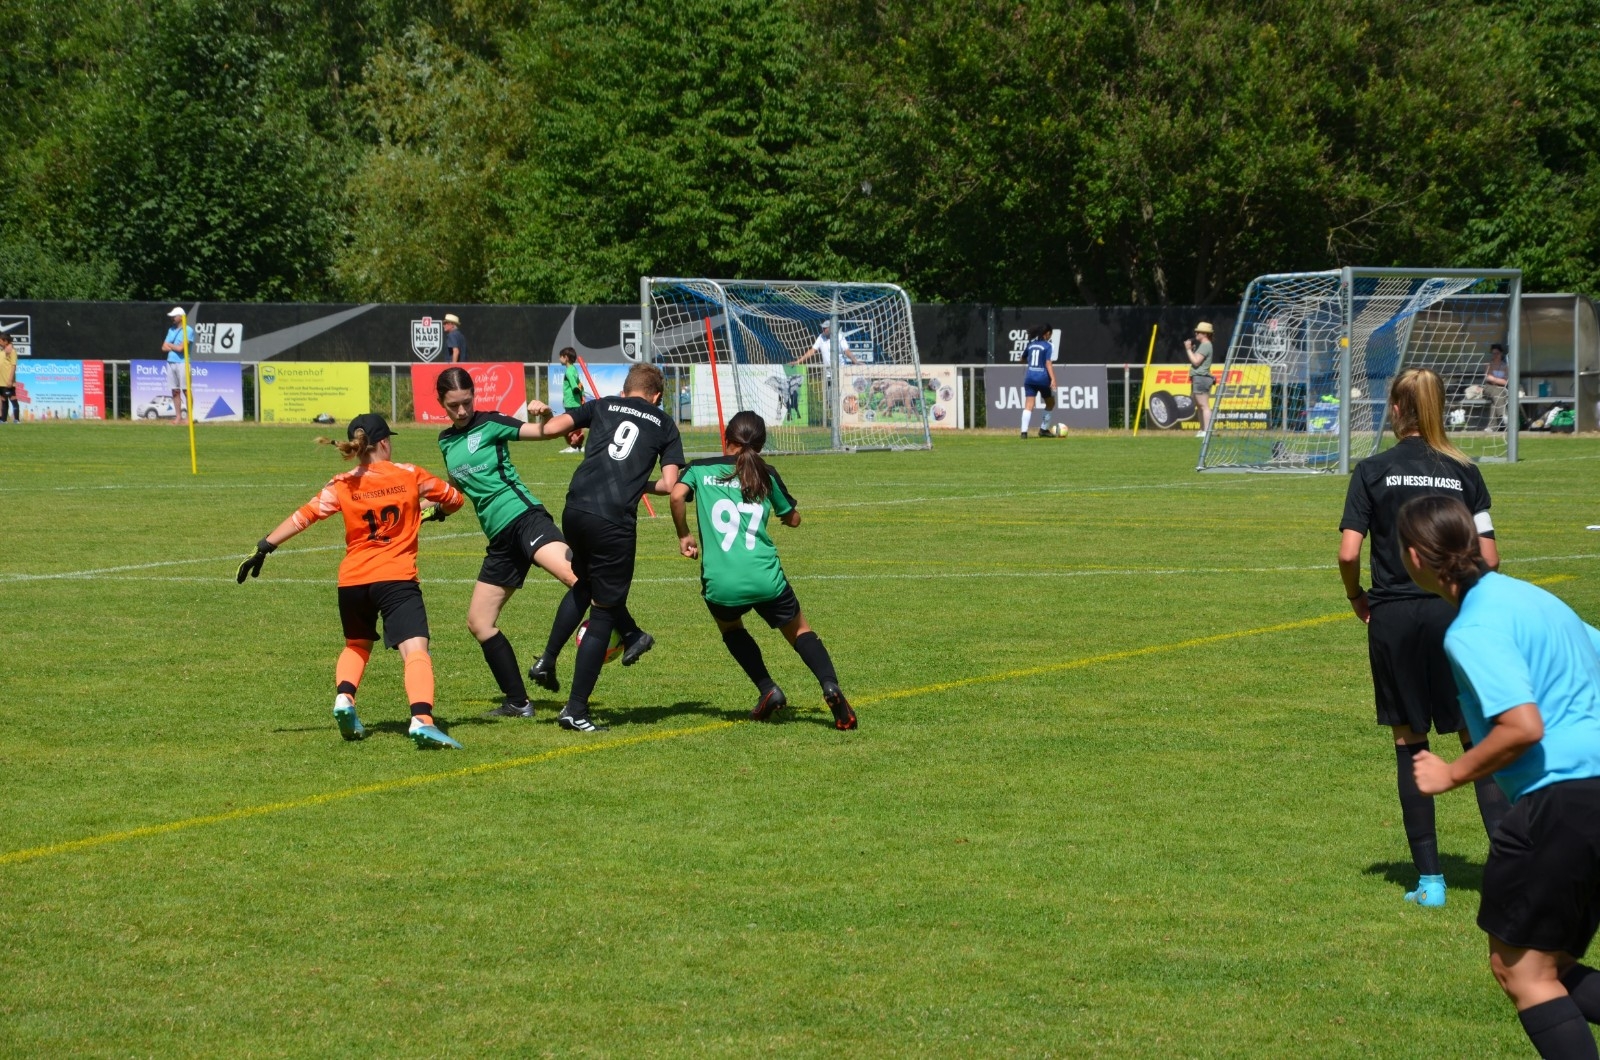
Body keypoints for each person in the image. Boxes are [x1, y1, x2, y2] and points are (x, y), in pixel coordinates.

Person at [1400, 494, 1600, 1060]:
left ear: (1414, 557)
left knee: (1523, 973)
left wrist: (1450, 773)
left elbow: (1523, 726)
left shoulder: (1473, 628)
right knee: (1549, 966)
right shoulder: (1535, 598)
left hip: (1560, 801)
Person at [1338, 366, 1511, 908]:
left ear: (1396, 409)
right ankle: (1511, 872)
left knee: (1410, 743)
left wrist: (1357, 596)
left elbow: (1348, 551)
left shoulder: (1372, 470)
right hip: (1454, 613)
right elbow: (1490, 557)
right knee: (1476, 740)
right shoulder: (1464, 470)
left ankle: (1431, 883)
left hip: (1392, 616)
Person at [235, 414, 466, 749]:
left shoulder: (343, 483)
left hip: (352, 582)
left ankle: (344, 699)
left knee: (356, 645)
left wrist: (264, 546)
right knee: (415, 648)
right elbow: (455, 499)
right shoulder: (410, 474)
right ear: (384, 442)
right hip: (396, 578)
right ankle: (422, 719)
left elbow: (305, 515)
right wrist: (431, 510)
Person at [521, 362, 686, 732]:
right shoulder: (664, 424)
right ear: (657, 397)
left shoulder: (602, 404)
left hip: (575, 509)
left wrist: (543, 411)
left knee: (585, 584)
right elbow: (668, 485)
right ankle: (575, 710)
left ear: (625, 390)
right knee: (604, 612)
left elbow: (553, 429)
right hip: (612, 521)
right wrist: (638, 483)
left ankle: (547, 660)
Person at [670, 411, 857, 730]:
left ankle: (767, 688)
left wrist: (684, 535)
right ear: (761, 445)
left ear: (726, 439)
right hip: (766, 578)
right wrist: (788, 517)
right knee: (800, 631)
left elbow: (676, 494)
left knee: (731, 628)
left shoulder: (699, 468)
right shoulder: (765, 473)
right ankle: (830, 685)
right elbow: (793, 518)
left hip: (722, 582)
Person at [434, 366, 582, 719]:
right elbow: (455, 491)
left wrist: (546, 414)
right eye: (453, 405)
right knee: (479, 622)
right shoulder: (446, 442)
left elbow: (543, 433)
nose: (462, 410)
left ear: (474, 396)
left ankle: (626, 633)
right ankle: (518, 702)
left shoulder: (491, 423)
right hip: (500, 540)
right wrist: (429, 508)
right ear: (441, 403)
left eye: (467, 402)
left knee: (576, 576)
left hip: (524, 518)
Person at [1019, 324, 1056, 438]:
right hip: (1042, 378)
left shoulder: (1031, 344)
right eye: (1050, 334)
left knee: (1029, 405)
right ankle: (1043, 430)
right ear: (1047, 333)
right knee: (1050, 403)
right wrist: (1053, 379)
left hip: (1030, 378)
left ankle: (1024, 433)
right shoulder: (1048, 345)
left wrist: (1028, 362)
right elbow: (1048, 363)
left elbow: (1021, 359)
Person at [1184, 322, 1215, 438]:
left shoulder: (1206, 345)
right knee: (1200, 405)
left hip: (1202, 378)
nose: (1196, 333)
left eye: (1198, 332)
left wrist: (1188, 350)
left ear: (1205, 334)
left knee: (1204, 405)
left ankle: (1207, 431)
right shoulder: (1204, 345)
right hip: (1198, 377)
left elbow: (1196, 361)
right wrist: (1192, 351)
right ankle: (1202, 430)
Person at [161, 307, 192, 425]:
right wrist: (173, 346)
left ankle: (189, 417)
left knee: (186, 390)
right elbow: (163, 347)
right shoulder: (171, 330)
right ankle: (178, 417)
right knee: (175, 391)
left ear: (181, 317)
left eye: (174, 316)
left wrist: (170, 345)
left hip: (183, 363)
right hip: (171, 362)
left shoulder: (188, 330)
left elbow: (181, 349)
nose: (172, 318)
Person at [557, 347, 585, 453]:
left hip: (571, 402)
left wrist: (576, 390)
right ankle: (579, 446)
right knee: (577, 424)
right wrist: (582, 396)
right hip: (576, 402)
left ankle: (573, 447)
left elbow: (574, 385)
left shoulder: (569, 371)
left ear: (566, 358)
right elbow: (580, 384)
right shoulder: (574, 369)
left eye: (561, 357)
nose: (559, 359)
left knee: (569, 425)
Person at [1484, 343, 1510, 431]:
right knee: (1497, 393)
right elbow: (1488, 378)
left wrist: (1494, 379)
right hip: (1489, 388)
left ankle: (1492, 427)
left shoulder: (1505, 366)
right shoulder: (1489, 365)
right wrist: (1498, 380)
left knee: (1495, 400)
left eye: (1497, 353)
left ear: (1501, 353)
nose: (1495, 355)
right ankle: (1503, 415)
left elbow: (1506, 382)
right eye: (1493, 353)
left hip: (1501, 389)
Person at [0, 332, 18, 423]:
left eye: (0, 341)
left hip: (8, 381)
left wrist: (10, 380)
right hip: (1, 381)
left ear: (5, 341)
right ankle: (3, 420)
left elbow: (13, 365)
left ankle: (16, 420)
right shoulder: (2, 351)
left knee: (12, 399)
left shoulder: (12, 351)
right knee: (3, 400)